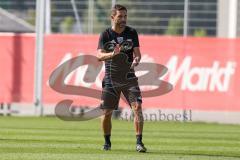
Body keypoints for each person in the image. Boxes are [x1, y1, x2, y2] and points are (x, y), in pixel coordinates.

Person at [97, 4, 147, 152]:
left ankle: (139, 142)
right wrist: (112, 54)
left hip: (129, 77)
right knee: (106, 113)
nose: (123, 19)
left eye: (125, 16)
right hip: (111, 78)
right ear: (112, 17)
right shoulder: (105, 34)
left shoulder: (132, 32)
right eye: (120, 16)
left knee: (137, 108)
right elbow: (99, 55)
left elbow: (137, 53)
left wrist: (137, 59)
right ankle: (107, 142)